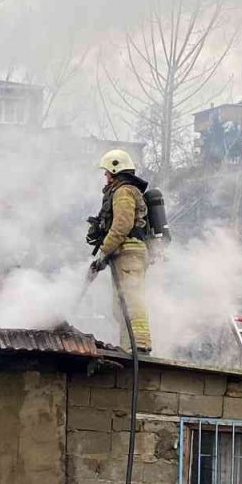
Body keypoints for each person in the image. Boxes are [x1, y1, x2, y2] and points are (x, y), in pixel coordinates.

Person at [87, 149, 152, 353]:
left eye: (107, 173)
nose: (105, 178)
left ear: (115, 170)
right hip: (124, 253)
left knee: (132, 299)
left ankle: (140, 346)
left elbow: (122, 224)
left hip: (129, 252)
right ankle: (128, 346)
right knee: (120, 305)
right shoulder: (123, 190)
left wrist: (104, 250)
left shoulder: (124, 191)